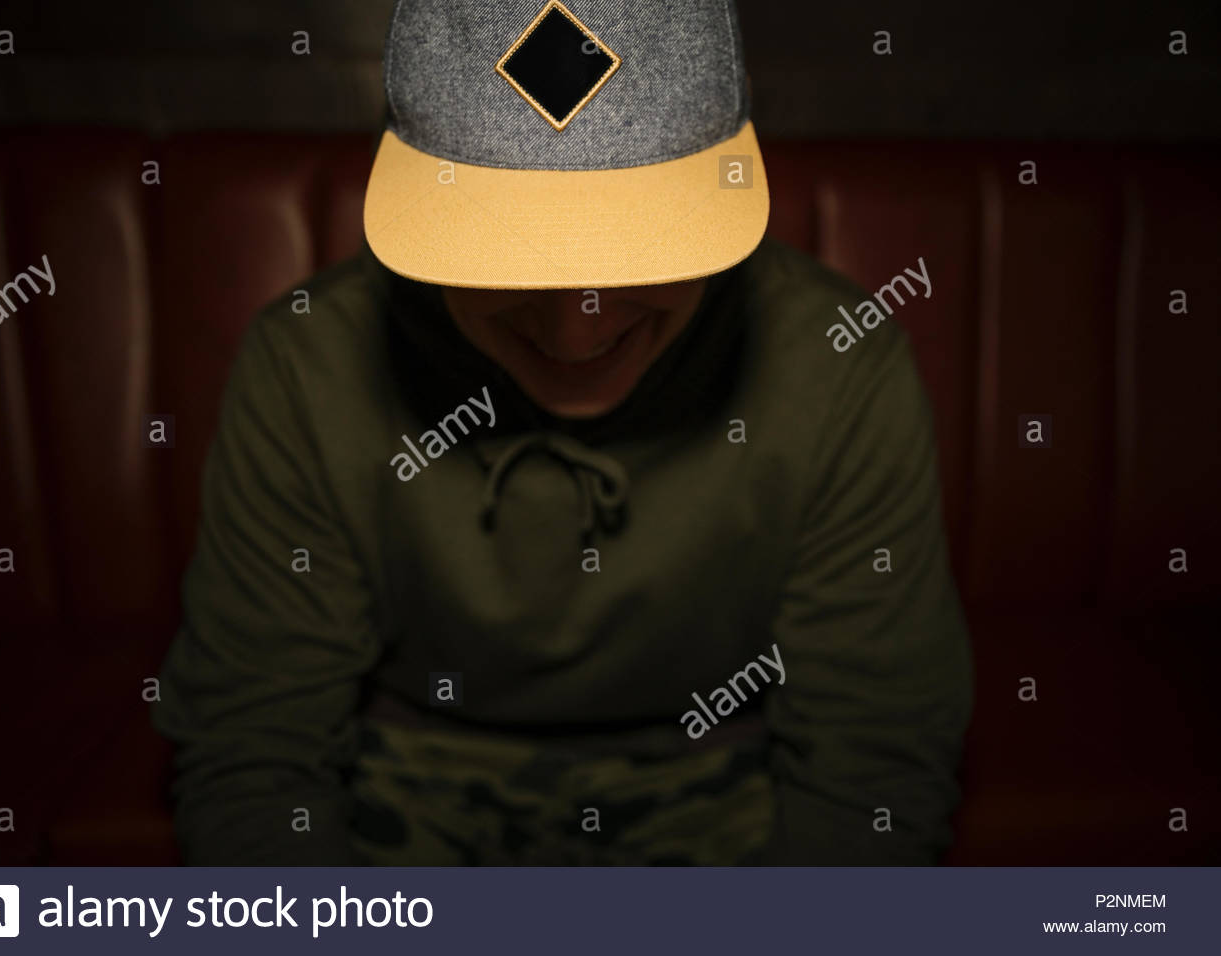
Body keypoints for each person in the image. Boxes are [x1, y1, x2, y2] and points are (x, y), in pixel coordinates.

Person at [152, 0, 972, 866]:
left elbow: (872, 760)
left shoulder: (840, 367)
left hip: (731, 783)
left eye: (643, 249)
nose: (576, 335)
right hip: (393, 783)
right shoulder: (306, 366)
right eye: (502, 257)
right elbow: (253, 752)